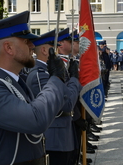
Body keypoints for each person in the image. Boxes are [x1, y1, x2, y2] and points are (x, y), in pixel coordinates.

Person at [0, 11, 69, 165]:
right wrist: (56, 78)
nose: (32, 46)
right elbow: (36, 120)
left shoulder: (16, 82)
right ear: (8, 48)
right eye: (26, 41)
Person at [26, 28, 82, 165]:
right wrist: (74, 78)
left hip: (63, 134)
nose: (58, 52)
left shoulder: (49, 71)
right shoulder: (40, 74)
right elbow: (66, 104)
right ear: (45, 51)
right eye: (54, 48)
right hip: (55, 138)